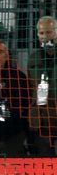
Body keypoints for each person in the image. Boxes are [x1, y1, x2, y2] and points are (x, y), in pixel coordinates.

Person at [27, 15, 57, 154]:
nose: (45, 36)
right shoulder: (33, 58)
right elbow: (31, 88)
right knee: (43, 165)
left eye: (49, 32)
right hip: (41, 121)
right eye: (41, 33)